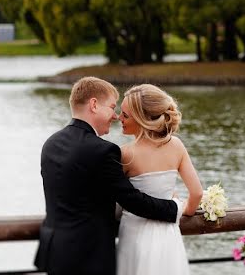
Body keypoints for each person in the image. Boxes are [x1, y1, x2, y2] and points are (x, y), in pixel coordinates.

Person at [35, 77, 180, 275]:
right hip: (90, 257)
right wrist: (176, 207)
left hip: (55, 253)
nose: (115, 116)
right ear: (94, 105)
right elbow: (132, 200)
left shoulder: (50, 144)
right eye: (112, 107)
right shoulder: (103, 151)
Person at [116, 84, 203, 275]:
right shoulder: (177, 145)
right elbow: (196, 193)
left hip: (135, 235)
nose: (118, 118)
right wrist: (184, 210)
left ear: (142, 119)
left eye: (125, 115)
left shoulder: (126, 154)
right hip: (168, 234)